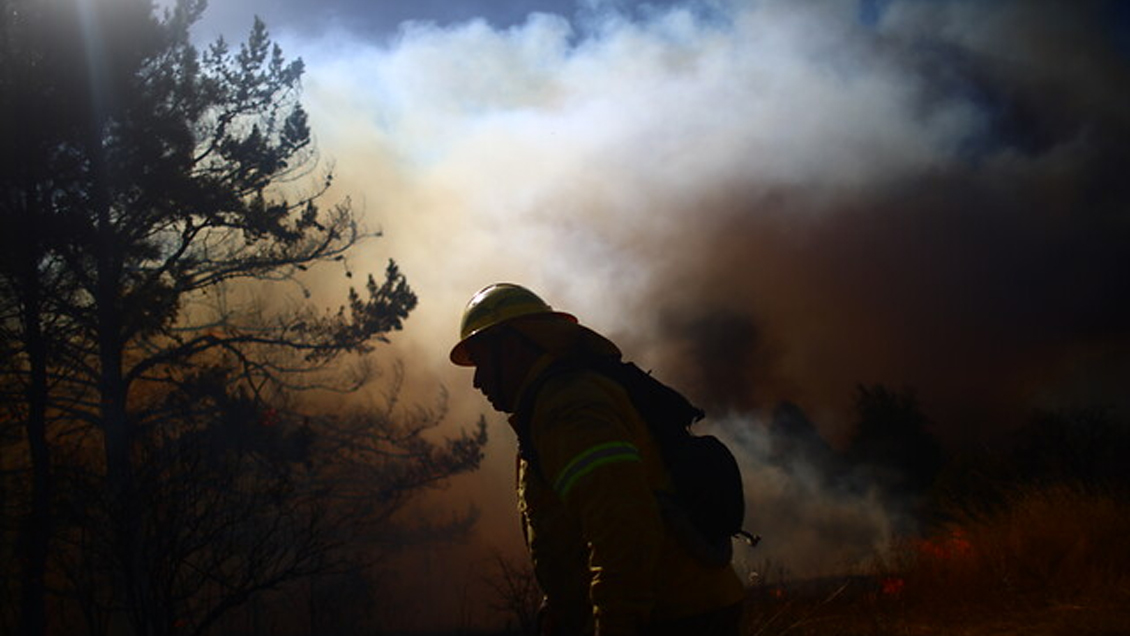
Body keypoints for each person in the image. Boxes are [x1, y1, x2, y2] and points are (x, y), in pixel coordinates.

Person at [450, 283, 745, 636]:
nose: (478, 382)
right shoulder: (554, 405)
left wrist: (616, 622)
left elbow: (622, 525)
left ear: (512, 347)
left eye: (482, 363)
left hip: (672, 614)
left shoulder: (569, 408)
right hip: (681, 608)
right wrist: (561, 607)